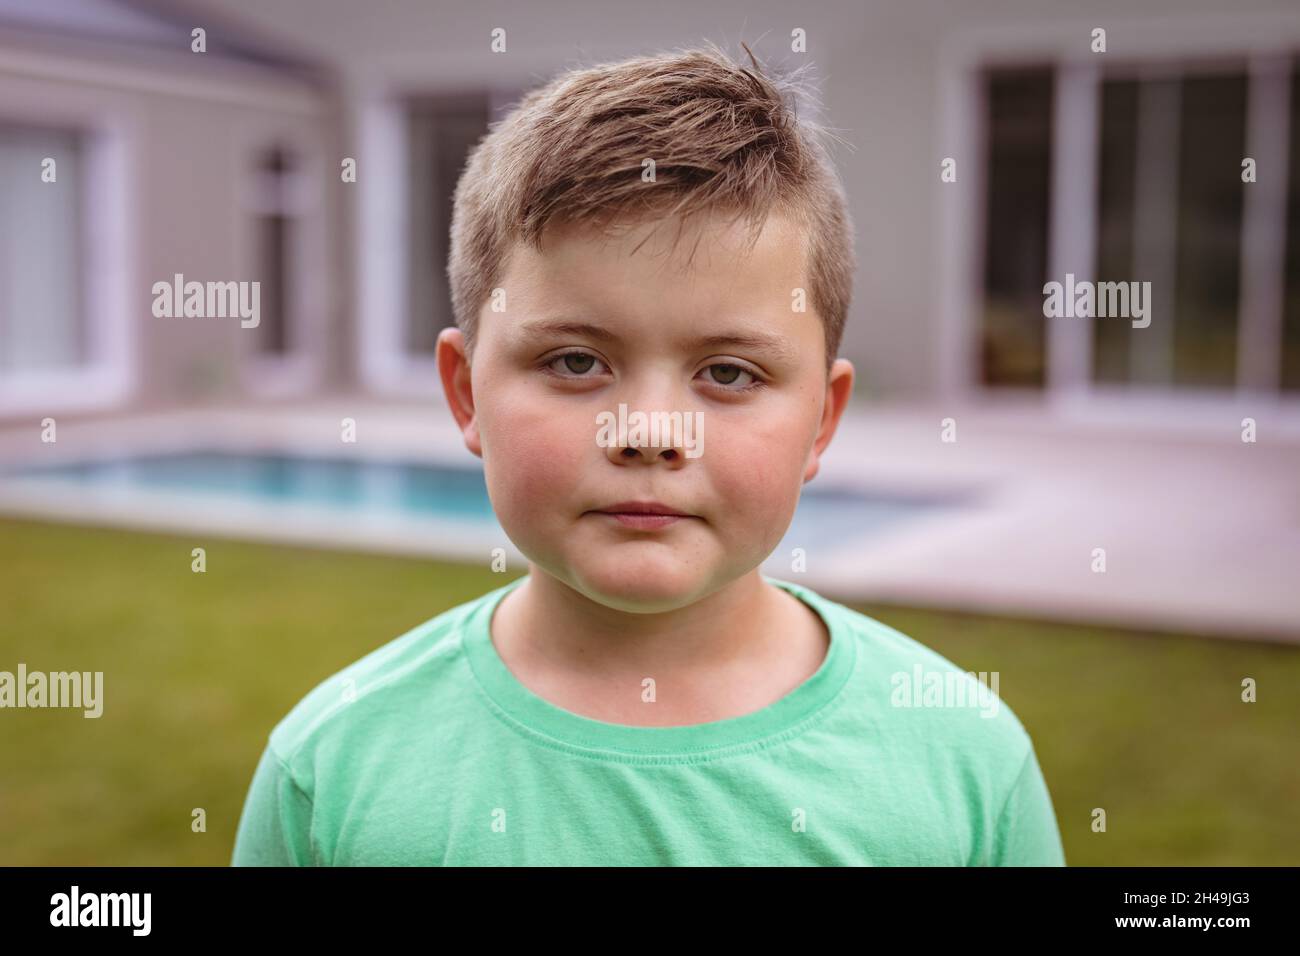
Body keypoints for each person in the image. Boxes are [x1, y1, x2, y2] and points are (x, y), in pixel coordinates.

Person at [232, 41, 1066, 866]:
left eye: (729, 373)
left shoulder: (964, 762)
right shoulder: (335, 768)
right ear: (464, 393)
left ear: (821, 419)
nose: (652, 432)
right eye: (575, 362)